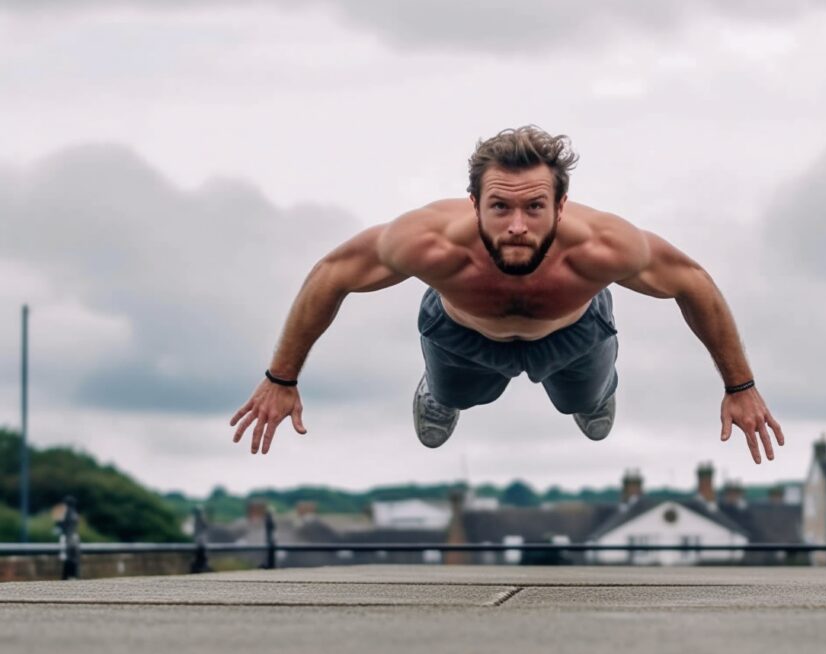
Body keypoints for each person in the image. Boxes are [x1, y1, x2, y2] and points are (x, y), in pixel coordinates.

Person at [231, 126, 784, 463]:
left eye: (534, 208)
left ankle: (594, 393)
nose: (516, 224)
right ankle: (440, 395)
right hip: (461, 335)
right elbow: (332, 274)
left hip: (573, 333)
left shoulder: (603, 247)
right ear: (473, 203)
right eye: (500, 207)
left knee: (582, 405)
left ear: (560, 206)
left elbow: (693, 283)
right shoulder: (426, 242)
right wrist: (282, 378)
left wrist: (742, 386)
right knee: (463, 395)